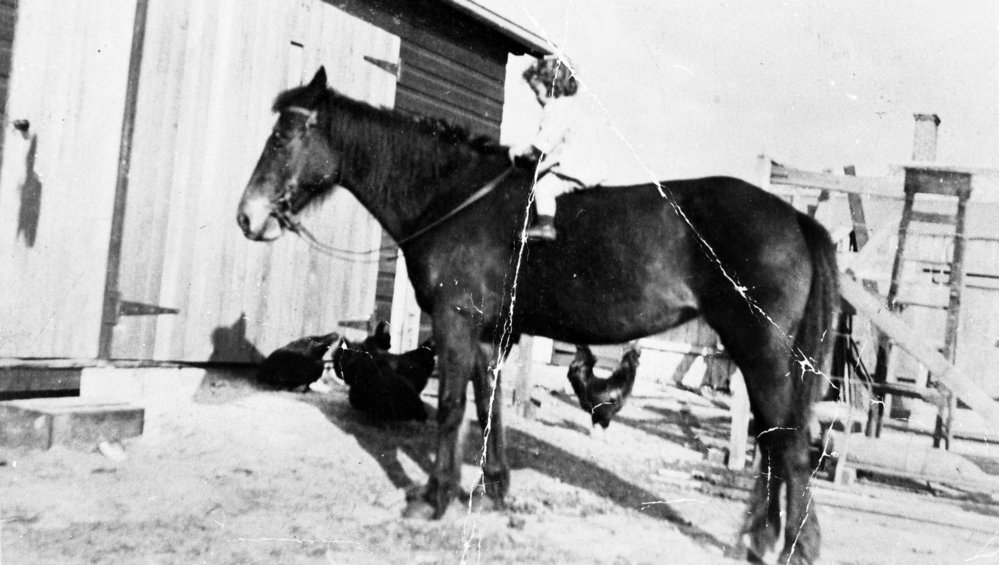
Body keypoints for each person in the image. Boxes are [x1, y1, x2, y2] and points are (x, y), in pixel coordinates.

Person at [509, 56, 607, 241]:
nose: (537, 97)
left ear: (550, 87)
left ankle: (546, 226)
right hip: (585, 164)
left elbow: (543, 144)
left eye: (536, 91)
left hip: (575, 166)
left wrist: (519, 153)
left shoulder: (558, 108)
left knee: (543, 188)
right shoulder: (571, 106)